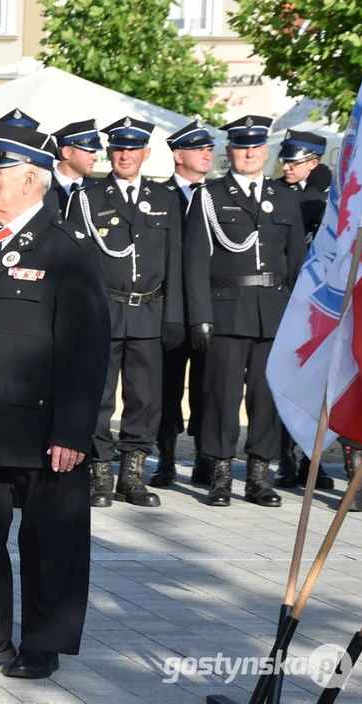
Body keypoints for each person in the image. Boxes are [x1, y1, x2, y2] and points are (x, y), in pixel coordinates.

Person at [0, 121, 109, 678]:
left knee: (50, 539)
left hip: (41, 429)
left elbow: (87, 347)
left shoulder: (66, 252)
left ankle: (42, 643)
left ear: (31, 179)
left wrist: (73, 430)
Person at [184, 115, 306, 507]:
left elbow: (296, 262)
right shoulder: (210, 196)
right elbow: (195, 263)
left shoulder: (285, 197)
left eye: (256, 146)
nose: (249, 153)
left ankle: (258, 475)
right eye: (241, 146)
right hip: (226, 310)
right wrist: (199, 314)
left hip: (274, 311)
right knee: (220, 395)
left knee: (266, 397)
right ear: (230, 151)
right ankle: (220, 474)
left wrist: (298, 314)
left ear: (265, 152)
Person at [68, 117, 183, 508]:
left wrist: (175, 317)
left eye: (133, 149)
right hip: (105, 308)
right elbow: (76, 263)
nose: (125, 156)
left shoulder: (165, 199)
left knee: (145, 398)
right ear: (110, 153)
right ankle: (100, 471)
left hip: (150, 309)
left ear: (146, 154)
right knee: (100, 395)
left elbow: (177, 262)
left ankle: (132, 474)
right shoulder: (88, 197)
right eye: (118, 149)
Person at [153, 120, 215, 488]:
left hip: (211, 307)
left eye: (209, 149)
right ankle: (166, 457)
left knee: (209, 386)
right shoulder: (160, 198)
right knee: (167, 387)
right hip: (169, 309)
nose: (207, 154)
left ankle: (206, 456)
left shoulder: (218, 197)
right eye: (198, 149)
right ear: (178, 155)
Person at [274, 128, 335, 490]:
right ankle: (286, 458)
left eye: (293, 162)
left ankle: (313, 460)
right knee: (286, 385)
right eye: (284, 160)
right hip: (285, 301)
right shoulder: (276, 193)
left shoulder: (331, 197)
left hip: (320, 307)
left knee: (318, 387)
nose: (286, 167)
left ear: (313, 162)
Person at [48, 119, 102, 217]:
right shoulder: (40, 186)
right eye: (90, 151)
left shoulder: (100, 189)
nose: (95, 157)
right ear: (66, 152)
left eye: (95, 152)